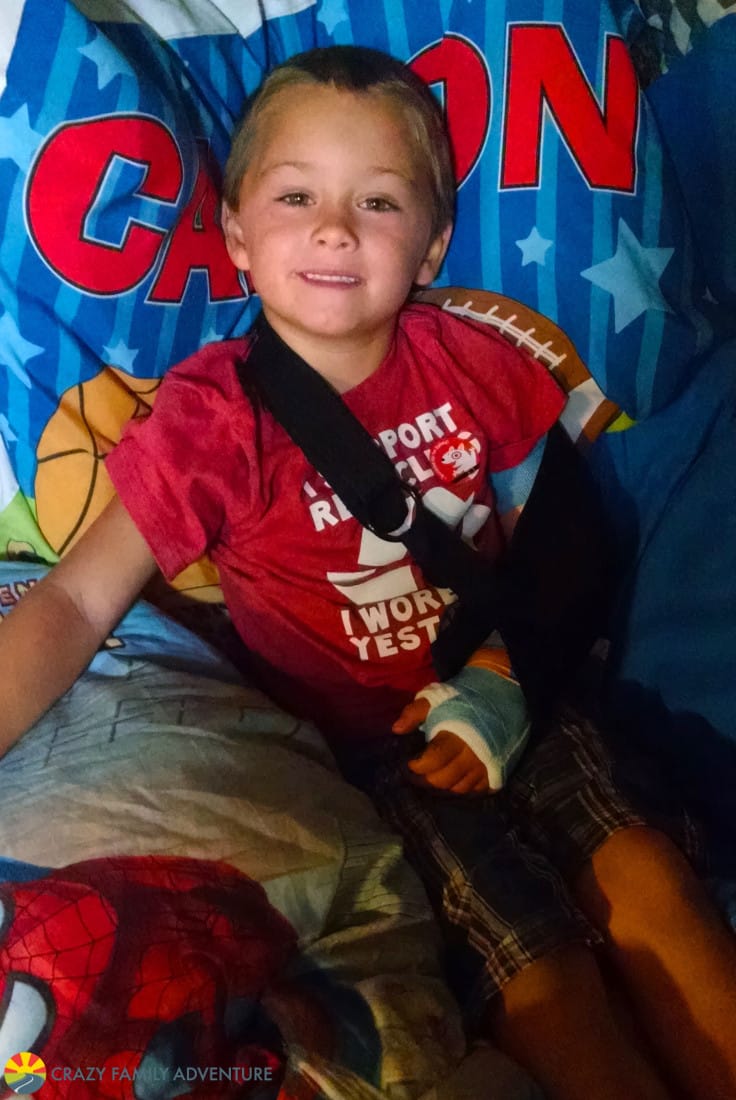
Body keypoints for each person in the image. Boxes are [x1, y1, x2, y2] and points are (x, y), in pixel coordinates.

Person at [1, 44, 735, 1100]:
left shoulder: (475, 362)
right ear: (237, 236)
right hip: (378, 766)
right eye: (297, 195)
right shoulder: (213, 422)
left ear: (431, 245)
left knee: (655, 884)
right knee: (544, 982)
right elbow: (75, 598)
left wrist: (505, 677)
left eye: (378, 201)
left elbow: (565, 535)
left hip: (526, 698)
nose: (336, 228)